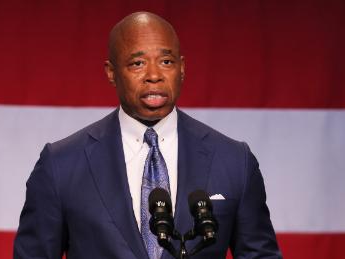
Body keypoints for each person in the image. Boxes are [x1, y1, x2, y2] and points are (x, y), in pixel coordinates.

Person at [14, 12, 282, 259]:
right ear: (111, 72)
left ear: (182, 68)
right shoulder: (61, 164)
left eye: (166, 61)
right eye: (137, 63)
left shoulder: (235, 161)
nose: (154, 76)